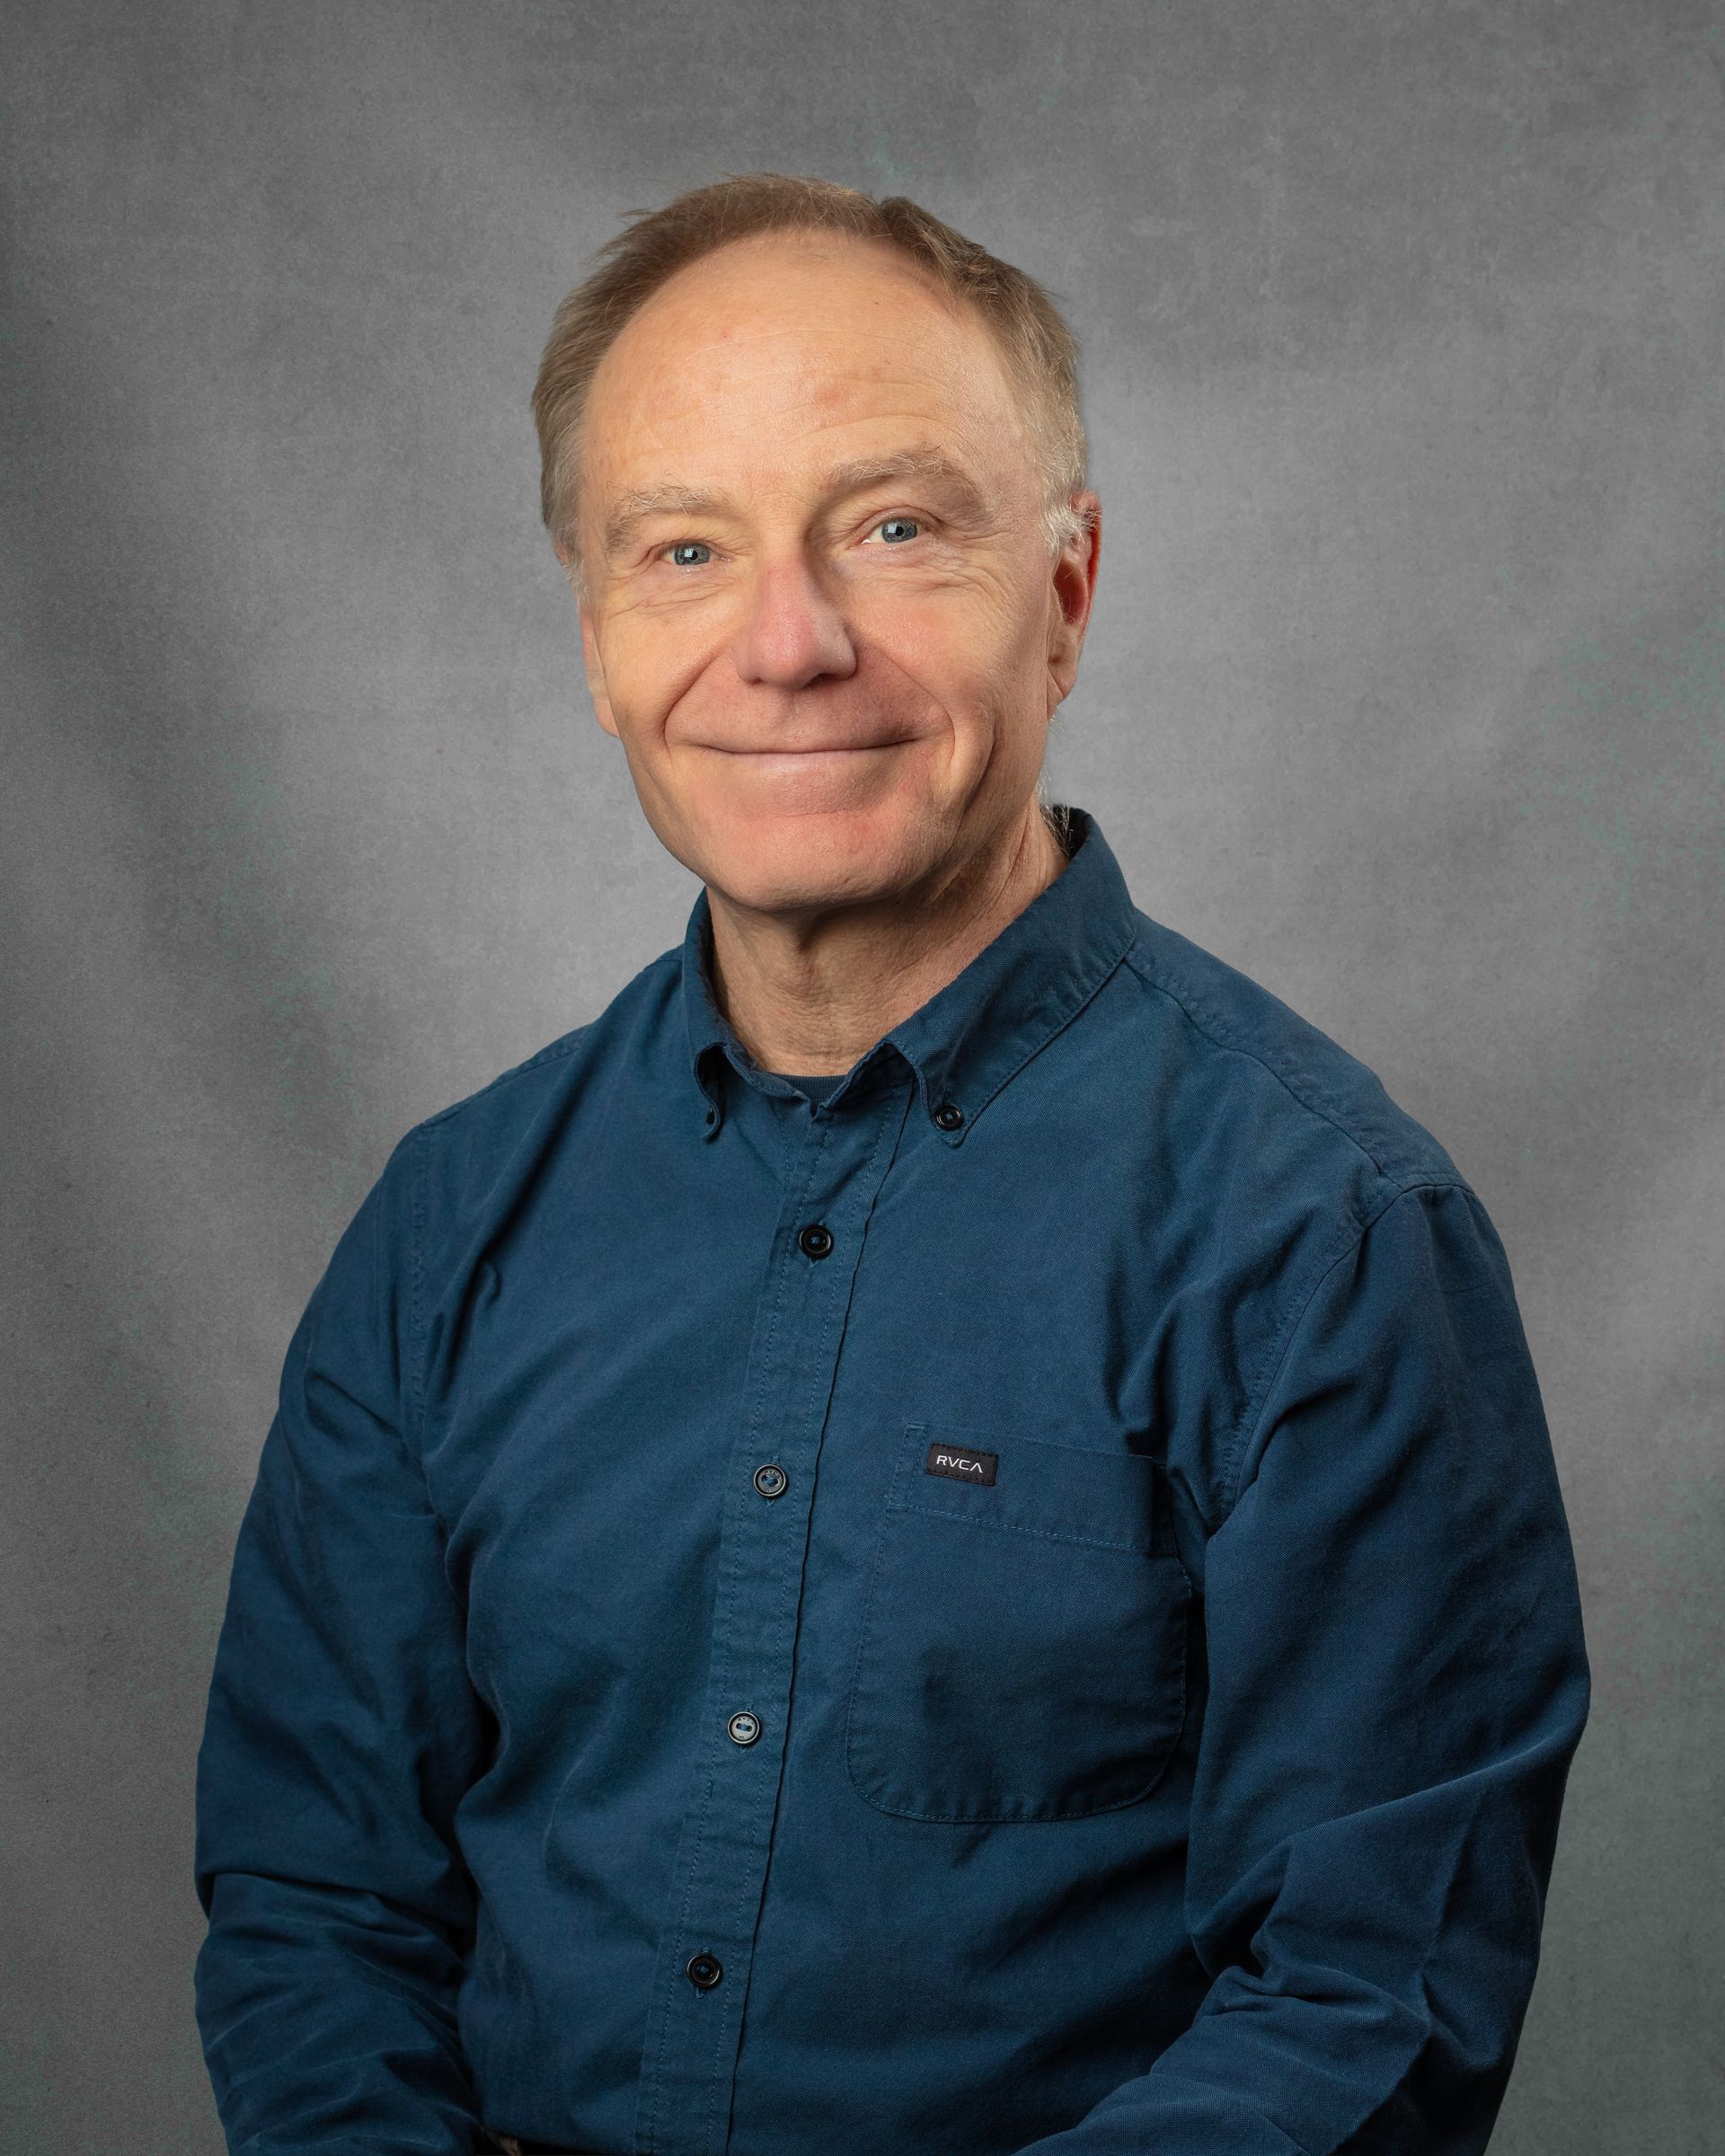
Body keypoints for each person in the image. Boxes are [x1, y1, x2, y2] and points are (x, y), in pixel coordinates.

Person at [192, 172, 1591, 2156]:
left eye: (896, 528)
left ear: (1070, 594)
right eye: (685, 548)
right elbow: (314, 1907)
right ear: (599, 640)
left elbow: (1367, 2001)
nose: (787, 642)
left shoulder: (1329, 1238)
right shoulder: (448, 1228)